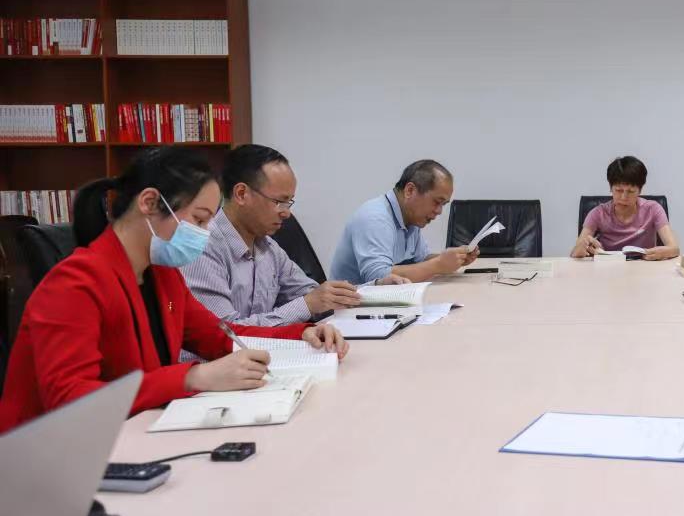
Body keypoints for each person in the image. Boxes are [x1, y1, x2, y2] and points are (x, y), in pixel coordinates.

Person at [0, 148, 348, 432]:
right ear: (150, 203)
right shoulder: (74, 283)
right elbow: (71, 399)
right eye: (198, 219)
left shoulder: (162, 275)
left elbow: (222, 336)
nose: (206, 232)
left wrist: (301, 334)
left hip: (132, 433)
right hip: (49, 459)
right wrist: (193, 377)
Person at [182, 144, 408, 328]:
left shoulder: (268, 247)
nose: (286, 213)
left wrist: (375, 288)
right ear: (241, 194)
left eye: (288, 202)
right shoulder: (203, 247)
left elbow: (316, 295)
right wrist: (307, 305)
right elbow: (226, 333)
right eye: (279, 201)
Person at [330, 159, 477, 283]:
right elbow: (378, 277)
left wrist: (454, 258)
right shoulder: (374, 218)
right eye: (437, 202)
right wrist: (438, 264)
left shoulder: (411, 218)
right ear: (410, 190)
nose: (439, 211)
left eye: (443, 205)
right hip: (350, 306)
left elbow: (421, 260)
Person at [571, 156, 680, 260]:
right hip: (609, 267)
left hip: (644, 266)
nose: (624, 197)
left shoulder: (653, 209)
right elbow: (574, 253)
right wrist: (581, 249)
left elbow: (675, 249)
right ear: (610, 188)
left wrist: (663, 252)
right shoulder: (598, 214)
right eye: (619, 190)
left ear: (640, 190)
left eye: (631, 191)